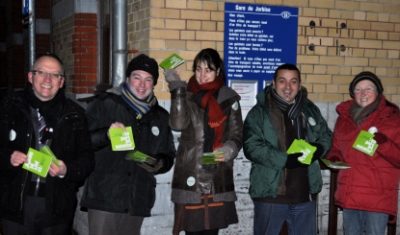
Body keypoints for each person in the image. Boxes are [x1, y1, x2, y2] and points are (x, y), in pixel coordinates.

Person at [80, 54, 176, 235]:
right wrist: (106, 134)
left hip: (137, 200)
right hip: (104, 198)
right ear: (127, 78)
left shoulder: (160, 116)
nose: (142, 85)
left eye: (148, 80)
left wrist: (160, 163)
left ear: (154, 83)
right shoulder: (105, 103)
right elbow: (81, 142)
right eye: (137, 77)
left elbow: (169, 153)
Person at [0, 54, 94, 234]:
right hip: (15, 203)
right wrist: (8, 156)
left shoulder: (75, 115)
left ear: (61, 82)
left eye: (55, 75)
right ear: (30, 76)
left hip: (57, 206)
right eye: (41, 72)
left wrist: (66, 170)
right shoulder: (9, 107)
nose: (47, 80)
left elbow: (87, 160)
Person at [243, 63, 332, 235]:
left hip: (304, 195)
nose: (288, 87)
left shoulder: (310, 110)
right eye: (282, 81)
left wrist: (319, 149)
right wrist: (285, 160)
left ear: (299, 85)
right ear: (274, 83)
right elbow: (252, 147)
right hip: (271, 196)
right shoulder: (259, 112)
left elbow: (326, 135)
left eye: (293, 82)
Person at [165, 48, 243, 235]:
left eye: (208, 69)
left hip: (217, 175)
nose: (202, 75)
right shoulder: (187, 94)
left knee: (211, 232)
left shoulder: (228, 97)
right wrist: (176, 88)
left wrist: (229, 148)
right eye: (198, 69)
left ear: (217, 72)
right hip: (191, 175)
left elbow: (237, 134)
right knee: (191, 230)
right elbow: (177, 124)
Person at [327, 71, 400, 235]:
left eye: (368, 89)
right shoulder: (344, 119)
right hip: (350, 195)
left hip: (377, 198)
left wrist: (384, 143)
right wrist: (334, 157)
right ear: (353, 94)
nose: (363, 93)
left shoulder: (393, 119)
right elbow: (337, 147)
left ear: (378, 92)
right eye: (358, 90)